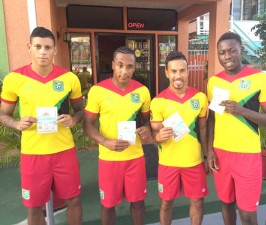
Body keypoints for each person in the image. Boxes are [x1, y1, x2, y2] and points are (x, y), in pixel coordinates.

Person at [0, 27, 83, 225]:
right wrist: (16, 123)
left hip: (64, 151)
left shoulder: (69, 78)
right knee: (34, 207)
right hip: (33, 154)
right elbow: (4, 114)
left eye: (47, 47)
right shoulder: (15, 79)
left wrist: (74, 119)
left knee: (74, 200)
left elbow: (80, 110)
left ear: (55, 50)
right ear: (29, 47)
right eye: (38, 46)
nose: (42, 52)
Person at [207, 32, 266, 225]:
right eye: (222, 52)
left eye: (232, 51)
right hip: (221, 154)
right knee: (226, 204)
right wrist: (209, 151)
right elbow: (211, 119)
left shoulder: (260, 79)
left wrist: (241, 111)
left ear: (242, 50)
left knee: (247, 214)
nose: (227, 56)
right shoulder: (214, 82)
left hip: (247, 156)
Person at [83, 46, 152, 225]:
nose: (124, 71)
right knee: (108, 205)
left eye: (129, 66)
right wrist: (105, 142)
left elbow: (146, 121)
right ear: (113, 65)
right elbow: (87, 125)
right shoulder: (98, 91)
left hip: (135, 157)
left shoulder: (142, 91)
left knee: (138, 202)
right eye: (120, 65)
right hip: (108, 159)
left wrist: (147, 129)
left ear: (134, 68)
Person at [150, 51, 209, 225]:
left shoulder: (200, 98)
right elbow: (154, 135)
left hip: (194, 162)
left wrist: (206, 156)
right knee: (166, 203)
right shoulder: (158, 101)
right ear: (167, 73)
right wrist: (159, 136)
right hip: (168, 163)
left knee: (198, 202)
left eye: (182, 70)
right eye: (174, 71)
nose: (178, 75)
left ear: (188, 71)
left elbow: (203, 130)